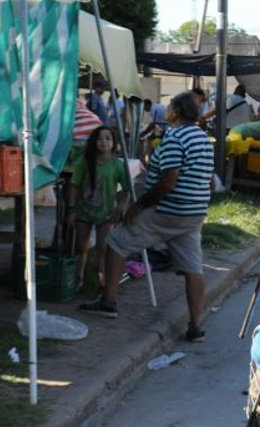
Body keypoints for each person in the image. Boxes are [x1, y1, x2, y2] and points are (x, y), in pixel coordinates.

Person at [80, 91, 215, 343]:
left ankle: (109, 301)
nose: (166, 112)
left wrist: (139, 205)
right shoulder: (202, 137)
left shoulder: (175, 137)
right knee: (193, 268)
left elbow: (168, 182)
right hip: (194, 212)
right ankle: (196, 327)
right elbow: (207, 179)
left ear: (175, 112)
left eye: (169, 108)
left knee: (116, 241)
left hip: (168, 210)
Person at [66, 126, 130, 291]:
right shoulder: (84, 162)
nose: (104, 142)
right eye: (100, 138)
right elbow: (74, 185)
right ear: (94, 142)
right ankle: (78, 278)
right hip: (83, 212)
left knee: (103, 247)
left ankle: (102, 281)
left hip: (106, 214)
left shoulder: (117, 165)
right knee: (81, 246)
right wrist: (71, 210)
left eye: (108, 138)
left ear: (114, 143)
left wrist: (120, 207)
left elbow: (126, 189)